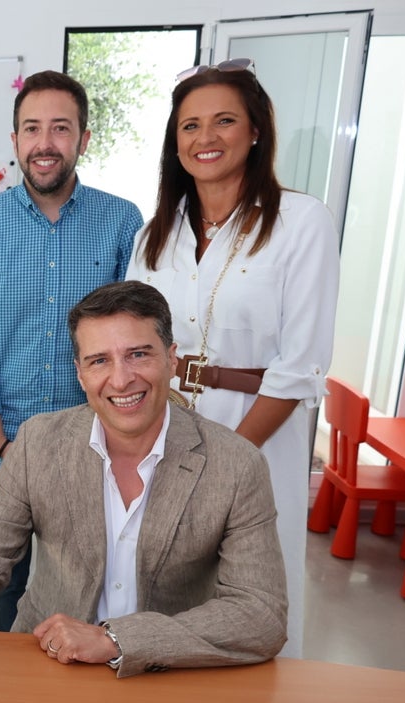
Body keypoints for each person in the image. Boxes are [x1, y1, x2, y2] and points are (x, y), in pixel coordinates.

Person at [0, 282, 288, 678]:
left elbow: (260, 613)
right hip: (49, 667)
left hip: (170, 674)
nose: (121, 379)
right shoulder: (39, 442)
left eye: (139, 354)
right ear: (80, 373)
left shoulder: (236, 464)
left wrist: (115, 640)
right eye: (99, 360)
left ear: (172, 359)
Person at [125, 60, 339, 658]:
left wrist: (229, 463)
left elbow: (301, 366)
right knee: (169, 580)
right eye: (190, 126)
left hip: (258, 430)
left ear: (255, 131)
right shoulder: (156, 234)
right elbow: (136, 343)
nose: (206, 137)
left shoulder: (301, 223)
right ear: (176, 142)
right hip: (167, 426)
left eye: (224, 120)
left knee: (249, 592)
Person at [0, 70, 144, 630]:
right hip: (1, 448)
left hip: (95, 448)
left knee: (86, 593)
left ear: (83, 139)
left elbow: (128, 346)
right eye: (32, 128)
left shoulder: (123, 223)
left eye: (61, 128)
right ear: (14, 142)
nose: (45, 143)